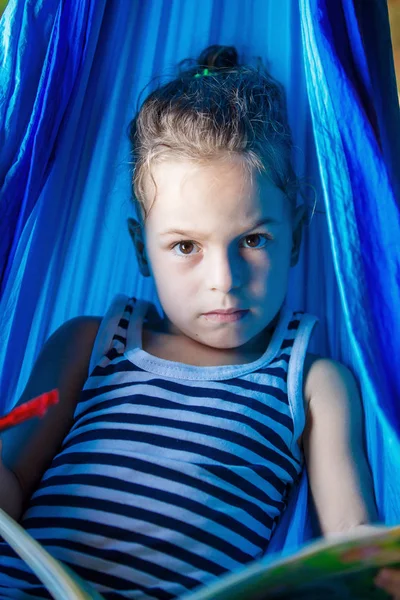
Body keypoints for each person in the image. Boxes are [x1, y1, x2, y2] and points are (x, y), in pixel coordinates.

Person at [0, 44, 398, 599]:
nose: (224, 279)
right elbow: (12, 479)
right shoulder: (89, 344)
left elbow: (354, 542)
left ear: (297, 236)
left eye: (253, 240)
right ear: (143, 249)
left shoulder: (309, 383)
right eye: (186, 245)